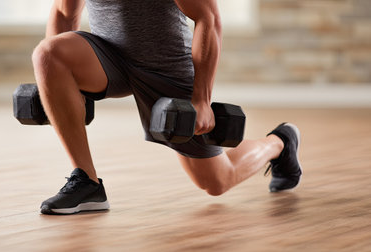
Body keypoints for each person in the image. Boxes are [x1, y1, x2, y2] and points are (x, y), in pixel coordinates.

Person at [32, 0, 302, 215]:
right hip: (108, 56)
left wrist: (201, 99)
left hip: (166, 68)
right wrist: (53, 84)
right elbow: (63, 12)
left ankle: (279, 143)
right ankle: (87, 182)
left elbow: (208, 18)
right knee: (47, 54)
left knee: (216, 181)